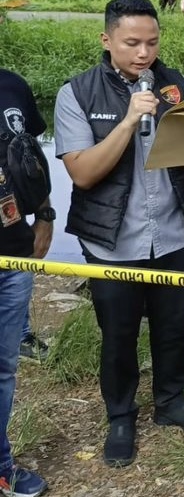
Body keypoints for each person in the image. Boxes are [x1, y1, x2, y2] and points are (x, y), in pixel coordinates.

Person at [53, 0, 184, 468]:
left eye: (152, 42)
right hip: (112, 241)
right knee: (118, 334)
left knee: (174, 325)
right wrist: (130, 120)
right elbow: (84, 173)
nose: (143, 53)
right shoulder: (78, 94)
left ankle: (171, 401)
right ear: (106, 39)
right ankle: (121, 415)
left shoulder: (176, 84)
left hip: (173, 233)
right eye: (132, 42)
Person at [0, 70, 53, 497]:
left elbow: (29, 154)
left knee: (3, 368)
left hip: (13, 251)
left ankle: (1, 464)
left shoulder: (13, 84)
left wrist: (45, 214)